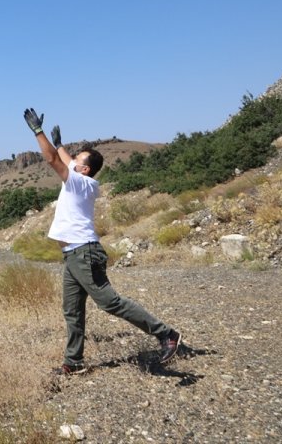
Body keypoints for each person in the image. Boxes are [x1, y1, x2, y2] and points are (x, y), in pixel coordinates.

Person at [23, 107, 181, 374]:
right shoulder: (79, 178)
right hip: (73, 256)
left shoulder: (80, 183)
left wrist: (38, 132)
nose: (71, 160)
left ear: (84, 169)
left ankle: (167, 335)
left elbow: (52, 160)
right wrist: (60, 143)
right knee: (72, 310)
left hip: (84, 253)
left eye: (77, 160)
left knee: (110, 302)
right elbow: (62, 156)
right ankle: (73, 363)